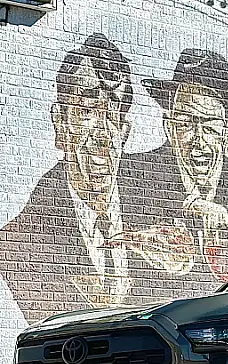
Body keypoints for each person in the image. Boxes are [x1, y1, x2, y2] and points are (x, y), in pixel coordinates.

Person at [121, 49, 228, 293]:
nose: (197, 140)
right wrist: (191, 204)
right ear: (168, 128)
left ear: (227, 135)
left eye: (209, 126)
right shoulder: (139, 173)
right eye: (186, 123)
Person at [0, 34, 134, 322]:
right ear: (60, 124)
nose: (103, 134)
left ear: (126, 132)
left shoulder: (153, 213)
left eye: (115, 115)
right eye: (87, 112)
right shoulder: (22, 242)